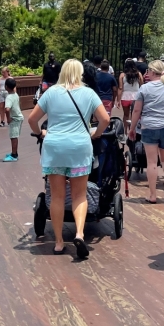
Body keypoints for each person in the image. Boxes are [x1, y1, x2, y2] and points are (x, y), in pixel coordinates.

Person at [27, 59, 110, 259]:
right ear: (80, 73)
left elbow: (32, 119)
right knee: (79, 195)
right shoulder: (89, 93)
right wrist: (95, 133)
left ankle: (58, 242)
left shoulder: (51, 92)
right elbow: (105, 119)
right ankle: (80, 234)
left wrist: (41, 133)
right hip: (79, 147)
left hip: (55, 147)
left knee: (56, 196)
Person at [129, 60, 164, 204]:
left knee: (152, 162)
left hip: (149, 126)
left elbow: (137, 110)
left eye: (148, 71)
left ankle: (153, 195)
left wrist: (132, 128)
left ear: (152, 72)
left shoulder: (144, 88)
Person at [2, 78, 23, 162]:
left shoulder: (9, 97)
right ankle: (14, 153)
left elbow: (7, 109)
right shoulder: (15, 94)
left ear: (6, 86)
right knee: (14, 136)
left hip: (15, 118)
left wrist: (8, 119)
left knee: (13, 137)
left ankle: (14, 155)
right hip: (19, 117)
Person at [119, 58, 143, 132]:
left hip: (125, 96)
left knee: (126, 115)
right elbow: (142, 85)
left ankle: (125, 131)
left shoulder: (122, 75)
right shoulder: (138, 74)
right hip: (136, 96)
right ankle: (133, 130)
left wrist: (117, 100)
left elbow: (120, 88)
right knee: (135, 114)